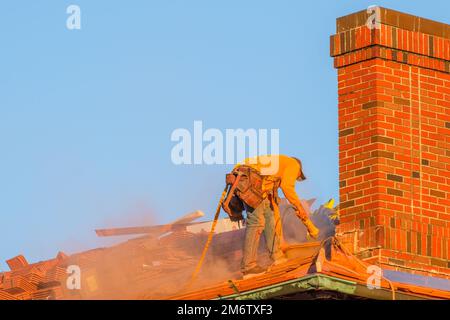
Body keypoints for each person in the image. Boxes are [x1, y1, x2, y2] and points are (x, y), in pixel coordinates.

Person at [223, 155, 320, 279]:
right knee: (256, 222)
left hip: (248, 178)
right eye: (297, 178)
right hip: (248, 177)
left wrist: (281, 241)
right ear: (299, 171)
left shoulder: (275, 172)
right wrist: (299, 208)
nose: (295, 179)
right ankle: (248, 267)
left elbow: (275, 215)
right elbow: (287, 187)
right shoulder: (293, 164)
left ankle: (276, 256)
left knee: (269, 215)